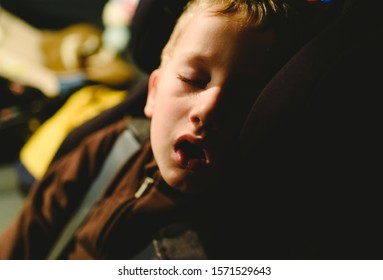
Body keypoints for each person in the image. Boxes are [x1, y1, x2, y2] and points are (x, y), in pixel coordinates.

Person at [0, 0, 322, 259]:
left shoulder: (224, 248)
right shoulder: (111, 146)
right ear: (153, 92)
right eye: (194, 80)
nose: (208, 110)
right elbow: (26, 236)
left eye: (242, 100)